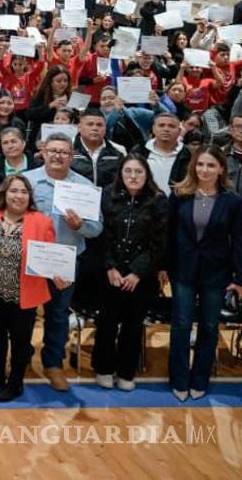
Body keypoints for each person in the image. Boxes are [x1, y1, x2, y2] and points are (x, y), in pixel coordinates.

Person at [21, 133, 102, 391]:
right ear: (43, 152)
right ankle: (21, 359)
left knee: (58, 314)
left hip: (66, 259)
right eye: (52, 151)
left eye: (64, 152)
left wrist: (81, 226)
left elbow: (97, 228)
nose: (58, 156)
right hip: (31, 257)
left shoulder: (84, 186)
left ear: (72, 156)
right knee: (25, 312)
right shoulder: (27, 181)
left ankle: (53, 364)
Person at [167, 145, 242, 401]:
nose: (204, 170)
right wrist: (163, 269)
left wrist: (239, 278)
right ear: (193, 167)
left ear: (221, 168)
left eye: (211, 165)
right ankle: (178, 378)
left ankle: (200, 378)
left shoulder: (233, 201)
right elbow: (168, 236)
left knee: (209, 327)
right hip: (183, 271)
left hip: (216, 273)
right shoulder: (179, 195)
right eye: (200, 164)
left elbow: (239, 241)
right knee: (181, 325)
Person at [0, 175, 56, 402]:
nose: (18, 196)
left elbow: (50, 257)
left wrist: (59, 274)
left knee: (20, 340)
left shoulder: (41, 221)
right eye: (13, 191)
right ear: (4, 193)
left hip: (23, 293)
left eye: (23, 191)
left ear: (30, 196)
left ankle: (16, 382)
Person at [92, 155, 168, 392]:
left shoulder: (158, 200)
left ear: (147, 175)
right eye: (128, 172)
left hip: (141, 278)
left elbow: (159, 241)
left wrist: (137, 272)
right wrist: (110, 267)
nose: (133, 177)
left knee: (133, 326)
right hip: (110, 273)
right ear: (120, 174)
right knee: (106, 323)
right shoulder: (106, 195)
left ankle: (126, 371)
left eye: (138, 172)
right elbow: (101, 236)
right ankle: (104, 369)